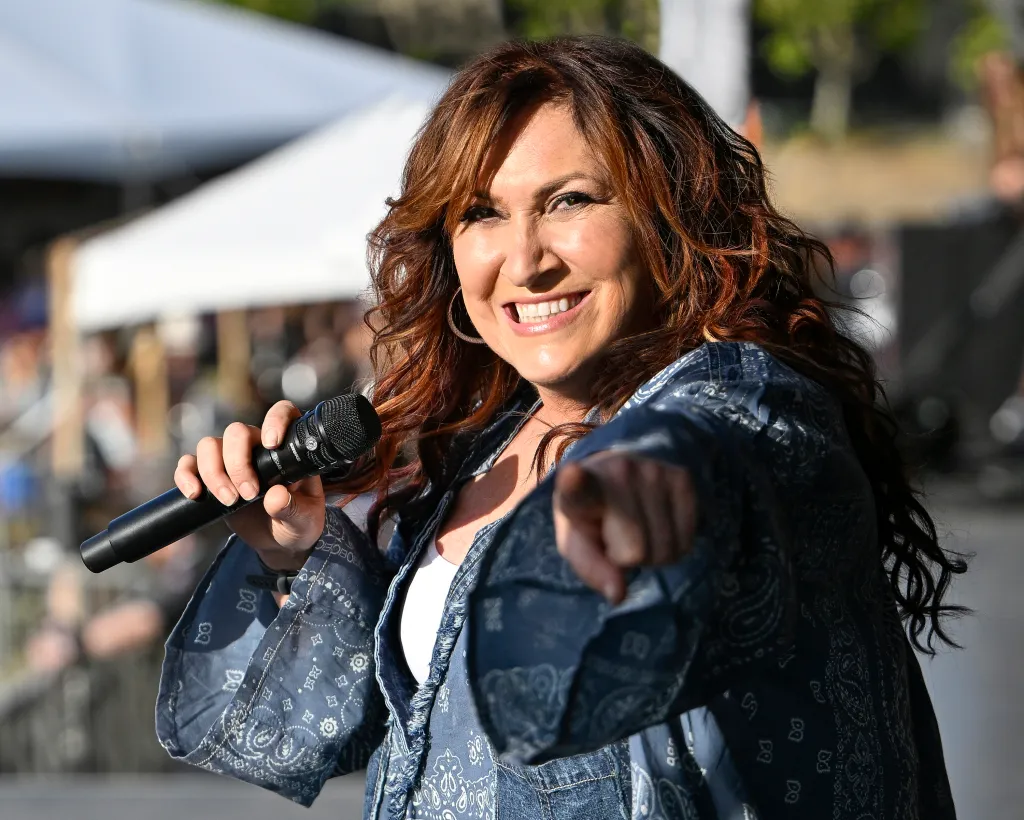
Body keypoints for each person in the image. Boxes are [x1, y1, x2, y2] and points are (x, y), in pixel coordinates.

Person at [157, 36, 965, 820]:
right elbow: (337, 736)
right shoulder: (476, 451)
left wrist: (639, 486)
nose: (526, 258)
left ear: (667, 214)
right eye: (482, 214)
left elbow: (711, 448)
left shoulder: (744, 399)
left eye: (569, 201)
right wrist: (298, 548)